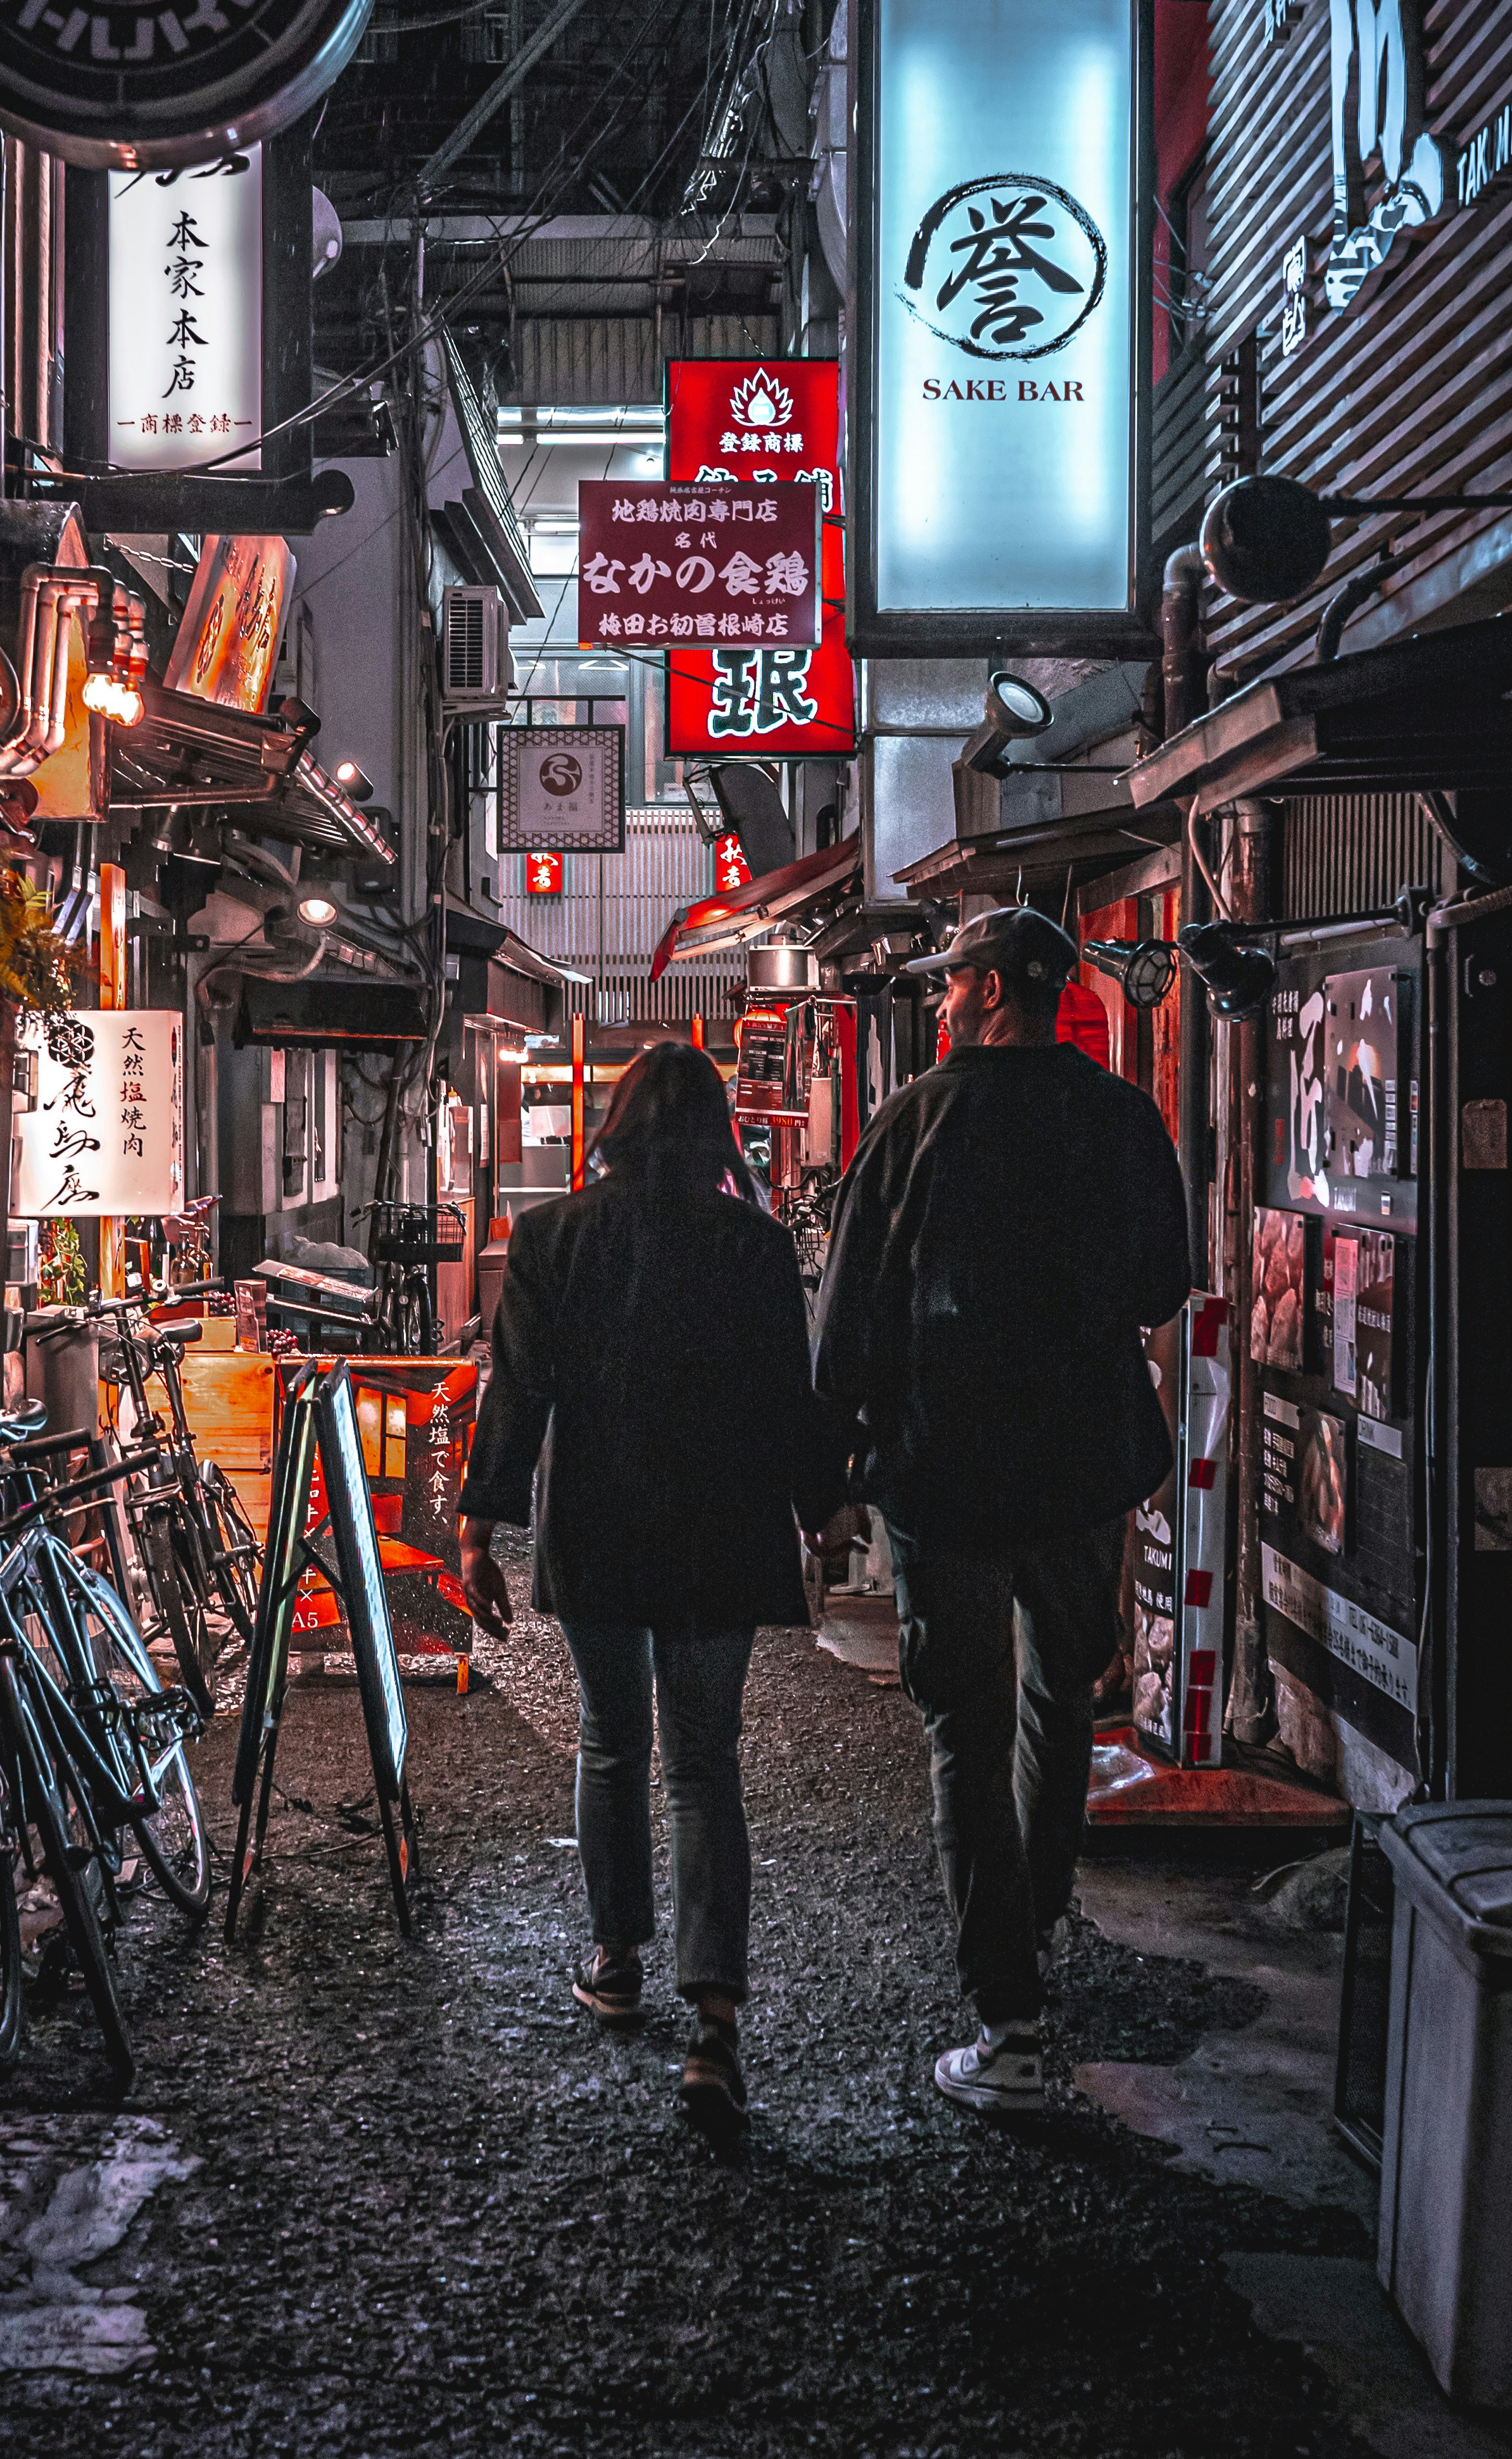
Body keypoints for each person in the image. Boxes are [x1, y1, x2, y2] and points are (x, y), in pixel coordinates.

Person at [813, 905, 1191, 2114]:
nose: (935, 1003)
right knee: (1056, 1704)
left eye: (944, 985)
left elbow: (848, 1319)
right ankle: (1033, 1939)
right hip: (1082, 1468)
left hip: (947, 1471)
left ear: (983, 989)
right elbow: (1157, 1283)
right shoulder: (1119, 1116)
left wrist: (828, 1474)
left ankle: (1008, 2009)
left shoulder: (917, 1120)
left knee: (963, 1728)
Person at [457, 1039, 844, 2138]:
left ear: (614, 1128)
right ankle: (713, 2018)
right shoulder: (755, 1247)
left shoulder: (552, 1237)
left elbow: (516, 1396)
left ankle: (615, 1955)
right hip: (719, 1535)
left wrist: (479, 1526)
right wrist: (822, 1506)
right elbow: (790, 1393)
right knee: (705, 1762)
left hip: (601, 1529)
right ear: (719, 1132)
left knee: (611, 1738)